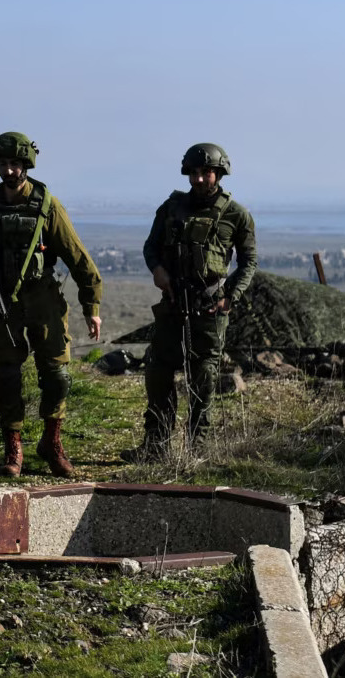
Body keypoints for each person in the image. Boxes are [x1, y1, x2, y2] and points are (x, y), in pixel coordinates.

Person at [0, 132, 102, 478]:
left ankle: (52, 441)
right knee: (7, 374)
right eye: (3, 164)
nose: (9, 170)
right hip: (2, 298)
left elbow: (78, 257)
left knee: (56, 375)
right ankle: (13, 446)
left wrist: (91, 306)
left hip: (42, 297)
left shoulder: (46, 205)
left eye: (15, 164)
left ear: (26, 165)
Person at [140, 142, 257, 456]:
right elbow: (150, 247)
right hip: (173, 304)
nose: (200, 179)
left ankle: (198, 450)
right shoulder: (171, 208)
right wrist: (158, 271)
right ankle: (156, 446)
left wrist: (230, 296)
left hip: (209, 308)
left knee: (203, 379)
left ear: (218, 173)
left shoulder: (236, 214)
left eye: (206, 172)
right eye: (194, 173)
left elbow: (249, 262)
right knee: (159, 372)